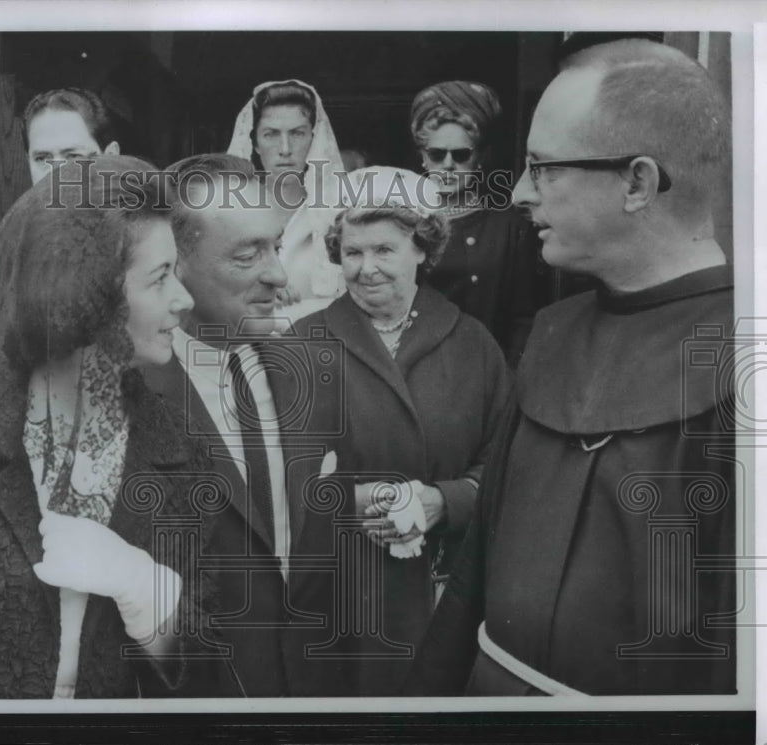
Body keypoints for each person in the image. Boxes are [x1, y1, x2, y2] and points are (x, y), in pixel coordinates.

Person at [405, 40, 736, 696]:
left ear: (637, 182)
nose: (521, 192)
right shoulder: (552, 334)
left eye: (541, 167)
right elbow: (473, 579)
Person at [0, 157, 225, 698]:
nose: (183, 300)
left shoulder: (181, 457)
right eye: (159, 278)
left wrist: (148, 590)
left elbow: (205, 676)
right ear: (83, 294)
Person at [292, 166, 512, 696]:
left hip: (443, 592)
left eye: (384, 250)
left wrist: (447, 500)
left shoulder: (473, 343)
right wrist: (350, 499)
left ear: (422, 249)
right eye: (352, 252)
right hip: (340, 599)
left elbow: (508, 465)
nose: (366, 269)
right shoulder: (302, 343)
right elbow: (273, 480)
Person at [142, 153, 352, 696]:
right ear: (176, 265)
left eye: (276, 245)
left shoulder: (312, 366)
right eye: (247, 254)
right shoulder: (132, 394)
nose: (278, 275)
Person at [0, 87, 121, 370]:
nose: (57, 174)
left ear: (111, 158)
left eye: (74, 158)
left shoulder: (144, 249)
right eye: (43, 159)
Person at [410, 80, 545, 364]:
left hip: (489, 372)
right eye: (436, 154)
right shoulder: (406, 222)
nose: (448, 165)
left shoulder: (508, 226)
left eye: (461, 155)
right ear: (423, 157)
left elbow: (523, 318)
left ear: (480, 156)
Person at [227, 80, 346, 321]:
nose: (285, 148)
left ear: (314, 140)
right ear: (255, 144)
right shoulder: (230, 213)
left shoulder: (336, 213)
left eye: (297, 133)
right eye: (270, 134)